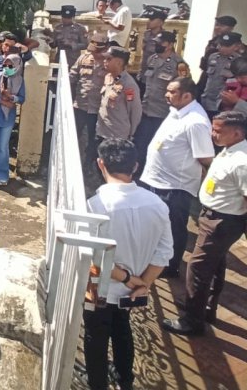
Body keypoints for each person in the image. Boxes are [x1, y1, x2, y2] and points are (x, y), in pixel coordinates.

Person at [84, 139, 173, 390]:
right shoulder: (157, 204)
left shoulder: (96, 206)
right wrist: (142, 283)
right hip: (133, 291)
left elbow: (94, 257)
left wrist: (125, 278)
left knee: (95, 337)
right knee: (122, 329)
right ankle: (125, 379)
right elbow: (165, 253)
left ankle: (97, 384)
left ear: (101, 164)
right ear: (135, 166)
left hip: (98, 287)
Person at [162, 111, 247, 336]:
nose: (213, 134)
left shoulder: (242, 162)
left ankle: (192, 320)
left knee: (197, 267)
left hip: (222, 221)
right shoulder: (229, 150)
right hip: (212, 216)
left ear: (237, 133)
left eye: (219, 131)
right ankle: (205, 308)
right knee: (215, 265)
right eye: (213, 128)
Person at [138, 76, 215, 278]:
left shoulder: (196, 122)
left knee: (173, 228)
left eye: (172, 91)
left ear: (187, 96)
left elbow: (206, 158)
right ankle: (154, 259)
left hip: (174, 187)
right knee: (155, 224)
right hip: (155, 179)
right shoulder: (177, 111)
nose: (166, 94)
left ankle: (170, 267)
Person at [132, 31, 186, 173]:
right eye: (156, 42)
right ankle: (137, 172)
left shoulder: (179, 65)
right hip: (146, 109)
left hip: (162, 113)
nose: (157, 45)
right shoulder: (152, 59)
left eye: (160, 43)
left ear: (169, 45)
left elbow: (184, 87)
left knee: (156, 146)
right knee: (140, 144)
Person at [0, 54, 26, 186]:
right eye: (5, 65)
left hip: (7, 118)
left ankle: (1, 174)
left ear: (17, 66)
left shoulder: (20, 80)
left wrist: (11, 97)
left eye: (10, 66)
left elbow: (22, 98)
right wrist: (2, 101)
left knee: (2, 146)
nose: (7, 68)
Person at [69, 32, 107, 169]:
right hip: (80, 105)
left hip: (98, 109)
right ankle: (73, 162)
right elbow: (72, 76)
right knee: (74, 135)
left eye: (97, 51)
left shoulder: (109, 62)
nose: (94, 54)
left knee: (94, 139)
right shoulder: (84, 58)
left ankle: (89, 165)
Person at [96, 46, 142, 143]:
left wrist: (131, 133)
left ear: (119, 63)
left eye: (109, 59)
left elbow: (135, 111)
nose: (105, 61)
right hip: (102, 131)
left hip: (116, 136)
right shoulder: (108, 77)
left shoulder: (129, 85)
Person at [199, 32, 242, 118]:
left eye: (226, 46)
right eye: (221, 44)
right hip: (205, 101)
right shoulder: (213, 57)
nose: (222, 48)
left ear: (236, 46)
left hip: (221, 104)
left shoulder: (239, 61)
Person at [198, 15, 237, 90]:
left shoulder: (235, 44)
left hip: (222, 84)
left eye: (222, 25)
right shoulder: (213, 41)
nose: (217, 27)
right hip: (208, 77)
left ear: (231, 28)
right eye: (217, 25)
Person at [138, 7, 168, 81]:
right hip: (144, 73)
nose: (148, 21)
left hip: (156, 76)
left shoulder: (165, 37)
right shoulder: (146, 34)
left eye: (152, 20)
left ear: (161, 22)